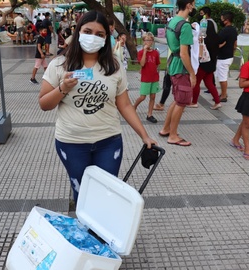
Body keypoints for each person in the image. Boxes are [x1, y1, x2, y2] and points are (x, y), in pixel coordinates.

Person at [38, 10, 157, 203]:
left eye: (100, 34)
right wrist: (62, 88)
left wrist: (144, 136)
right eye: (87, 31)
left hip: (108, 142)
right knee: (82, 193)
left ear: (106, 38)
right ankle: (85, 230)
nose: (93, 38)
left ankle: (101, 231)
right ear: (78, 33)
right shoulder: (60, 64)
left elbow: (125, 105)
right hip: (71, 142)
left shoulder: (115, 66)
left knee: (106, 192)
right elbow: (44, 104)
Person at [158, 0, 196, 146]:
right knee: (181, 102)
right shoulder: (185, 25)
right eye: (193, 3)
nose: (194, 6)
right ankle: (173, 136)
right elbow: (184, 54)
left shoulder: (172, 21)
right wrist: (192, 73)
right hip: (181, 68)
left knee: (177, 100)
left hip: (173, 65)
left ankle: (166, 129)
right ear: (188, 5)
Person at [189, 7, 221, 110]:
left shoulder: (203, 37)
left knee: (196, 82)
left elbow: (200, 46)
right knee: (209, 83)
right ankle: (217, 101)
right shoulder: (214, 35)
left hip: (203, 62)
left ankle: (194, 102)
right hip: (212, 61)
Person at [134, 32, 160, 123]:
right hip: (146, 78)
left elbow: (157, 64)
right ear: (143, 41)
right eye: (146, 40)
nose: (148, 42)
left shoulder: (155, 53)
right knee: (142, 97)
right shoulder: (141, 53)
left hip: (154, 77)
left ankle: (149, 114)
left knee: (153, 96)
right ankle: (133, 108)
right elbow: (142, 63)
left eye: (150, 40)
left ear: (152, 41)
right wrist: (145, 51)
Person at [216, 11, 237, 102]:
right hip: (229, 56)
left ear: (227, 20)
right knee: (223, 76)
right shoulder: (233, 30)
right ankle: (223, 93)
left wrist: (219, 46)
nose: (221, 21)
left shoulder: (224, 31)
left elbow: (217, 41)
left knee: (222, 78)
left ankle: (223, 95)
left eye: (222, 19)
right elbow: (235, 44)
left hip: (223, 57)